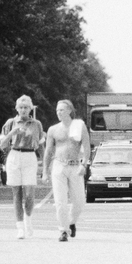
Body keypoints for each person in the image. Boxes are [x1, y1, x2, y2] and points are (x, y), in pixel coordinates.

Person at [43, 100, 90, 242]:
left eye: (62, 110)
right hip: (59, 166)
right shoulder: (53, 129)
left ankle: (71, 222)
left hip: (75, 166)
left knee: (79, 202)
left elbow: (86, 147)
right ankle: (63, 230)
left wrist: (84, 164)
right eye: (57, 110)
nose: (59, 113)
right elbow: (48, 151)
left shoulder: (79, 125)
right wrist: (45, 171)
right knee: (60, 201)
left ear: (69, 110)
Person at [0, 95, 44, 239]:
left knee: (29, 194)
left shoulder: (36, 124)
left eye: (26, 107)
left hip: (29, 156)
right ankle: (19, 227)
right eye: (21, 107)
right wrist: (13, 132)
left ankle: (28, 220)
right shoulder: (10, 123)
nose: (23, 110)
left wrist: (44, 166)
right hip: (14, 155)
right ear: (17, 108)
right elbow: (2, 145)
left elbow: (41, 146)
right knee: (16, 193)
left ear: (30, 108)